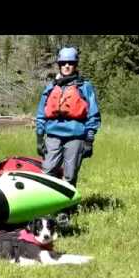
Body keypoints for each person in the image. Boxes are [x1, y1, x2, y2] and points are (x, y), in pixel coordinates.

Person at [35, 46, 101, 188]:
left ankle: (66, 209)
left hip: (76, 137)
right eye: (63, 63)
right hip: (53, 135)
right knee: (47, 172)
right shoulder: (51, 87)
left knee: (70, 176)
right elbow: (41, 114)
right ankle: (48, 207)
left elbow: (93, 115)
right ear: (59, 65)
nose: (66, 66)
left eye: (70, 63)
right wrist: (40, 138)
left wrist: (89, 140)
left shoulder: (85, 87)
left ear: (75, 65)